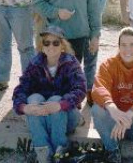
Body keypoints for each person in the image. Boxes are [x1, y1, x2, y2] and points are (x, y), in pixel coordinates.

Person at [12, 25, 86, 163]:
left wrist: (60, 105)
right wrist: (23, 107)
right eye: (46, 42)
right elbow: (21, 89)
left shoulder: (71, 63)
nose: (50, 46)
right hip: (42, 118)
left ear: (62, 46)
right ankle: (44, 155)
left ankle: (60, 152)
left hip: (66, 117)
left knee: (56, 98)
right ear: (42, 45)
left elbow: (80, 89)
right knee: (33, 99)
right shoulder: (35, 63)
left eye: (56, 43)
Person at [91, 27, 133, 163]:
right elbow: (98, 88)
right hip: (115, 125)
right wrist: (112, 108)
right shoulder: (108, 65)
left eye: (132, 44)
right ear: (118, 46)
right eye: (124, 45)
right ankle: (112, 150)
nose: (128, 49)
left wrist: (129, 114)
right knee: (97, 110)